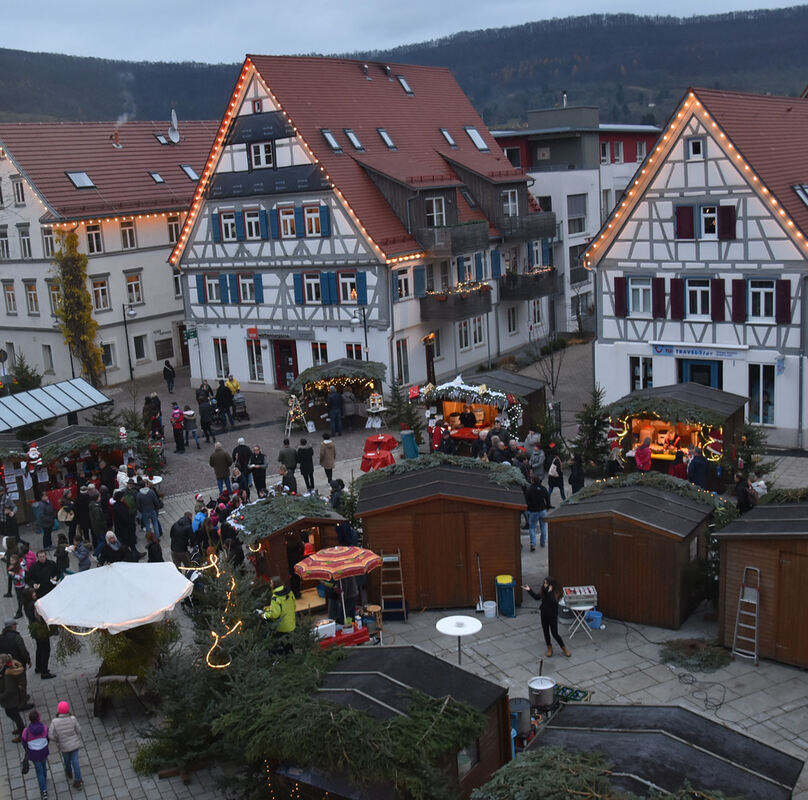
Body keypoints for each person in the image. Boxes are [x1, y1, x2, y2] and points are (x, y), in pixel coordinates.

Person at [522, 577, 571, 658]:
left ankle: (564, 648)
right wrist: (529, 590)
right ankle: (549, 648)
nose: (545, 585)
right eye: (544, 583)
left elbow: (553, 602)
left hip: (552, 615)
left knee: (555, 633)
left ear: (551, 585)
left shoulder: (556, 593)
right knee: (546, 632)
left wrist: (550, 592)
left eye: (546, 583)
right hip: (544, 614)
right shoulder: (544, 590)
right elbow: (537, 597)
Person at [49, 700, 83, 790]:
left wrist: (57, 740)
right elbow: (79, 730)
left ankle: (69, 772)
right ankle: (78, 780)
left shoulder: (54, 722)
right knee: (75, 761)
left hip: (64, 746)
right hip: (75, 744)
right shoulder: (72, 719)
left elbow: (50, 735)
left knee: (67, 760)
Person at [23, 589, 55, 679]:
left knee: (40, 648)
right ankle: (44, 672)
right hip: (40, 629)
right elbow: (40, 616)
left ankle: (39, 667)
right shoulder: (35, 604)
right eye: (32, 593)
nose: (34, 594)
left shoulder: (26, 604)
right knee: (46, 649)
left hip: (34, 629)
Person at [22, 709, 50, 798]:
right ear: (38, 718)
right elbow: (47, 738)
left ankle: (44, 791)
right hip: (44, 751)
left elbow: (24, 743)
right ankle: (44, 780)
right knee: (44, 766)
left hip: (34, 754)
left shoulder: (26, 732)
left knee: (39, 772)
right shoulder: (44, 728)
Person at [0, 651, 26, 742]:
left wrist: (1, 697)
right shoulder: (3, 670)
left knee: (15, 715)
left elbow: (9, 690)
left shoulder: (7, 673)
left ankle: (22, 732)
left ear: (3, 663)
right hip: (8, 699)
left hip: (11, 699)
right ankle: (20, 728)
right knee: (11, 714)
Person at [524, 475, 551, 550]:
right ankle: (543, 542)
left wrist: (528, 508)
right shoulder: (543, 488)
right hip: (542, 510)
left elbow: (526, 501)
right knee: (543, 527)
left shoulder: (529, 490)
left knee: (532, 527)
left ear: (532, 481)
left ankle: (533, 544)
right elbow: (547, 498)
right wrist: (548, 506)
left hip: (533, 511)